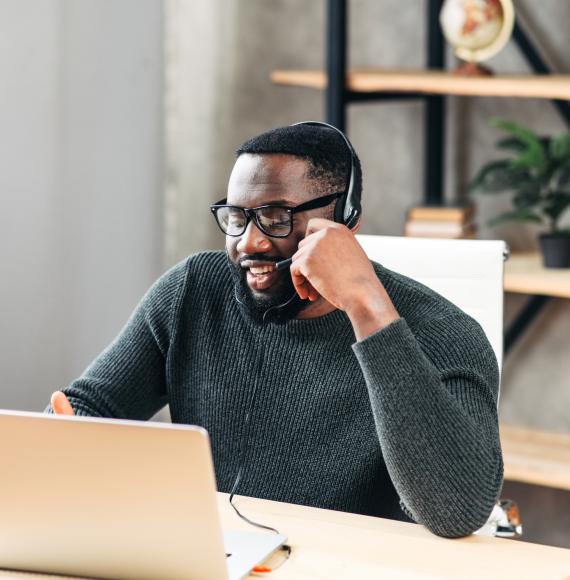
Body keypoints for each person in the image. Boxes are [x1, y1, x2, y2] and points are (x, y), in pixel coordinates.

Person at [48, 123, 503, 538]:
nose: (250, 242)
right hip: (217, 556)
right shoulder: (194, 291)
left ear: (345, 220)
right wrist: (64, 442)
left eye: (277, 217)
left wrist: (366, 307)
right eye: (237, 217)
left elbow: (457, 512)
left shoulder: (445, 334)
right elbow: (89, 405)